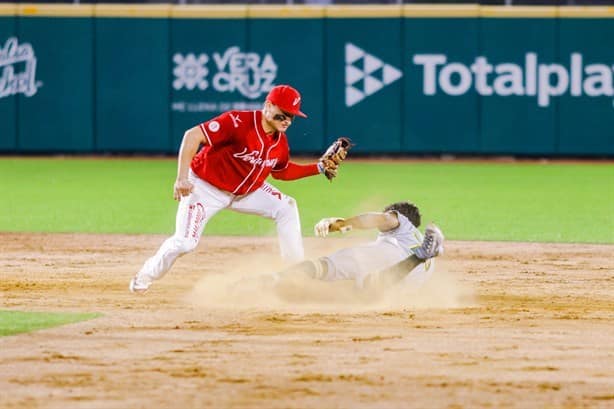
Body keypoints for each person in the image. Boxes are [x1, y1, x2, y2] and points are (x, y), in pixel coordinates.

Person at [130, 85, 338, 293]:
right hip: (205, 188)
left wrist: (318, 168)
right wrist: (181, 178)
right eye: (282, 114)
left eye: (292, 117)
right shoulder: (238, 122)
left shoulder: (280, 142)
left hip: (247, 192)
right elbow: (192, 136)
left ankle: (296, 274)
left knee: (287, 207)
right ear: (268, 106)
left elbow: (281, 171)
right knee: (185, 243)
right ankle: (144, 276)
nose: (287, 121)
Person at [236, 201, 445, 295]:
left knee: (324, 266)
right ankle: (418, 258)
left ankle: (272, 280)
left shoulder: (401, 224)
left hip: (387, 255)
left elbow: (379, 219)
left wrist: (341, 223)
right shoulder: (423, 248)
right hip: (402, 285)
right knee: (370, 288)